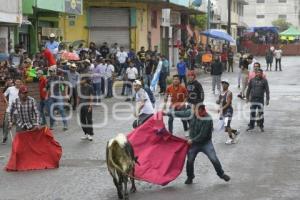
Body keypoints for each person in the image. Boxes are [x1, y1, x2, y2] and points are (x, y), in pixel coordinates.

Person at [166, 104, 230, 184]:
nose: (197, 114)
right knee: (190, 160)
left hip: (205, 143)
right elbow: (180, 113)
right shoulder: (192, 113)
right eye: (196, 112)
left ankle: (221, 174)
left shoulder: (208, 119)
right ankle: (190, 177)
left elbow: (203, 135)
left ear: (204, 111)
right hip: (193, 143)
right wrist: (166, 113)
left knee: (213, 158)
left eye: (199, 113)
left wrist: (192, 140)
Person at [217, 80, 240, 144]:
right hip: (223, 112)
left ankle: (231, 139)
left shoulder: (229, 93)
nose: (223, 85)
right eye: (222, 83)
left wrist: (221, 108)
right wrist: (218, 102)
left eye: (225, 83)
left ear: (228, 85)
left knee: (227, 125)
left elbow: (228, 103)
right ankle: (235, 131)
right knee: (226, 129)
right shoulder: (221, 93)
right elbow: (219, 101)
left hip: (228, 111)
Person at [2, 79, 22, 144]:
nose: (18, 84)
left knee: (19, 125)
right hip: (9, 109)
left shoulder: (22, 90)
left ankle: (18, 138)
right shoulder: (10, 88)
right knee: (6, 124)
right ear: (15, 83)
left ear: (20, 83)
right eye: (17, 82)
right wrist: (6, 102)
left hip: (18, 110)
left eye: (19, 83)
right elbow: (4, 95)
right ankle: (5, 137)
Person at [78, 77, 94, 141]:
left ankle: (90, 134)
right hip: (82, 106)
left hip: (87, 106)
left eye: (82, 80)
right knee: (82, 120)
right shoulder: (80, 87)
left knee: (89, 120)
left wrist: (90, 106)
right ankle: (86, 133)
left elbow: (91, 97)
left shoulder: (90, 87)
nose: (80, 81)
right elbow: (78, 97)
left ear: (85, 80)